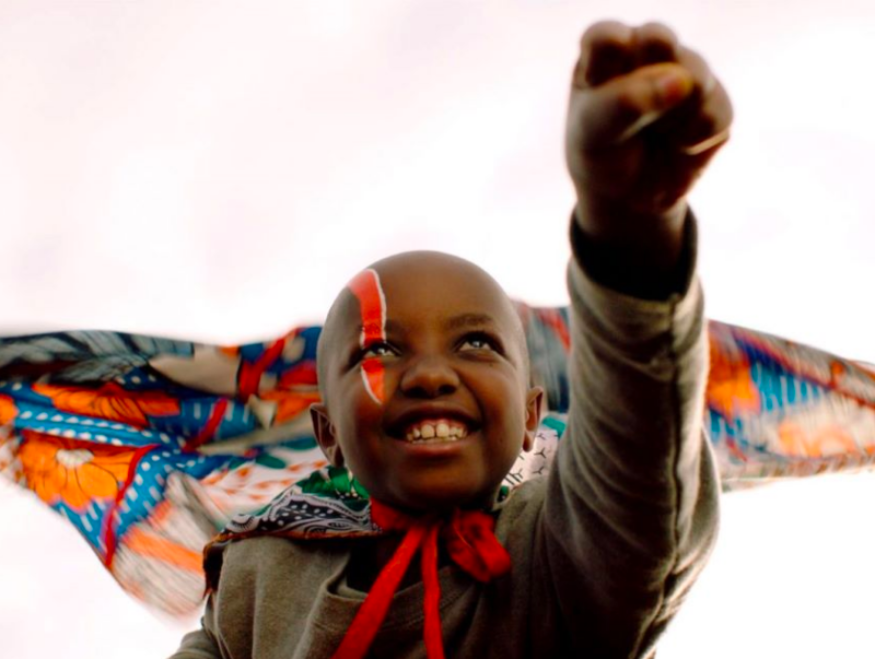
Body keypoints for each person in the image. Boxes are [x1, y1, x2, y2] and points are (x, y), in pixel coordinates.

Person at [185, 19, 731, 658]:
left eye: (476, 344)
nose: (429, 375)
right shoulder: (254, 583)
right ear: (328, 434)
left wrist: (630, 233)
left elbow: (639, 464)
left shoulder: (566, 556)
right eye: (379, 351)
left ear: (531, 417)